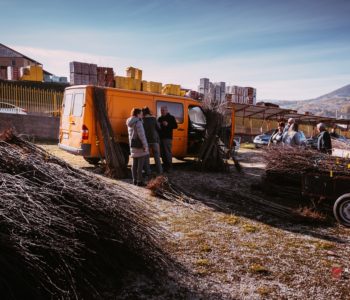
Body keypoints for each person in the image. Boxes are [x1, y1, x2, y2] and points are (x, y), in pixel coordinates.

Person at [126, 108, 149, 186]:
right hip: (140, 146)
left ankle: (134, 180)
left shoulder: (130, 122)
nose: (142, 115)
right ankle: (139, 181)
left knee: (134, 164)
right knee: (140, 165)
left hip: (133, 145)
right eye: (141, 114)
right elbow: (142, 136)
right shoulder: (138, 122)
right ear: (137, 114)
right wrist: (145, 146)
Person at [142, 106, 163, 175]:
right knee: (157, 156)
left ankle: (148, 172)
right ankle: (160, 171)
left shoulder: (142, 119)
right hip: (155, 140)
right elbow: (159, 128)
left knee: (146, 157)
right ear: (149, 111)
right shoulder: (154, 118)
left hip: (146, 140)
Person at [158, 106, 178, 172]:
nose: (162, 111)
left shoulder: (171, 117)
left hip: (167, 138)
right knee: (162, 153)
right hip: (161, 138)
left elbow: (175, 126)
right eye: (161, 110)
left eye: (163, 110)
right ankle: (165, 166)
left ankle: (169, 167)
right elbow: (158, 128)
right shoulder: (160, 118)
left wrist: (168, 124)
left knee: (167, 153)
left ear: (167, 110)